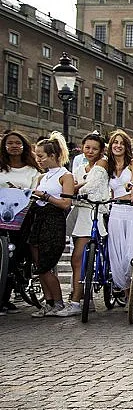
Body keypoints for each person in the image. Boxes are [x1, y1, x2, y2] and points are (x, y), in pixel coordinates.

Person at [28, 133, 75, 317]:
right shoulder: (42, 177)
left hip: (54, 221)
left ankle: (58, 302)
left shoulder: (66, 176)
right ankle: (48, 303)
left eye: (41, 156)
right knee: (39, 265)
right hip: (38, 220)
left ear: (53, 156)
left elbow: (66, 204)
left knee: (47, 264)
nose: (38, 160)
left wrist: (45, 196)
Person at [68, 132, 111, 315]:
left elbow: (91, 185)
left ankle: (76, 302)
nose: (90, 151)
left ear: (101, 150)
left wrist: (74, 189)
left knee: (78, 258)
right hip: (80, 213)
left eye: (95, 148)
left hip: (93, 212)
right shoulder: (80, 167)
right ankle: (85, 297)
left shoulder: (102, 164)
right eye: (87, 147)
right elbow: (75, 183)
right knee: (78, 259)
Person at [0, 131, 41, 314]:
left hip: (22, 218)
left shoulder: (32, 171)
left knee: (14, 255)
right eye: (10, 143)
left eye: (18, 143)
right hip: (1, 215)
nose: (14, 146)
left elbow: (35, 191)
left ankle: (8, 294)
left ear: (24, 146)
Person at [105, 130, 133, 292]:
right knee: (118, 254)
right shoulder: (108, 165)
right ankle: (127, 292)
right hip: (116, 212)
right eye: (115, 142)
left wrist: (131, 193)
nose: (118, 146)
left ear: (126, 146)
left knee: (131, 254)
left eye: (121, 143)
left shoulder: (132, 163)